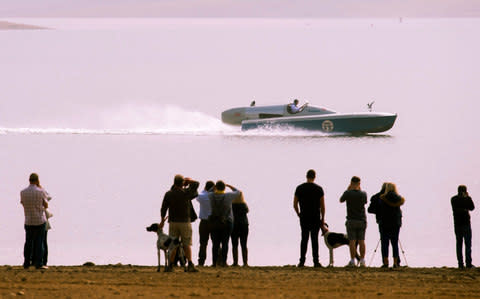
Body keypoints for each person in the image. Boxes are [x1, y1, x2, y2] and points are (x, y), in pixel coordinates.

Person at [161, 174, 200, 272]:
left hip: (173, 222)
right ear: (182, 183)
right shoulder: (186, 193)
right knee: (187, 244)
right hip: (185, 222)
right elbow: (196, 184)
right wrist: (189, 181)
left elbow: (163, 208)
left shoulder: (169, 194)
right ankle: (190, 264)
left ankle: (170, 265)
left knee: (173, 245)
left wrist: (162, 220)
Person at [293, 169, 325, 268]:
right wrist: (322, 219)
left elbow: (294, 204)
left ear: (306, 176)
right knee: (314, 239)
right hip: (315, 216)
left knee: (304, 238)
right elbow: (323, 206)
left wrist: (299, 214)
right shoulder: (319, 189)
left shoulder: (299, 188)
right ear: (314, 177)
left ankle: (302, 261)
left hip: (304, 216)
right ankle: (316, 261)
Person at [208, 181, 241, 267]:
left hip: (215, 221)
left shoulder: (211, 196)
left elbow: (208, 192)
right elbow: (238, 192)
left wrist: (213, 187)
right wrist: (230, 186)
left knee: (215, 244)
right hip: (227, 222)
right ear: (224, 188)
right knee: (225, 242)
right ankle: (223, 262)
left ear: (216, 187)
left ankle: (214, 262)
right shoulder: (228, 196)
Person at [20, 173, 49, 270]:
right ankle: (39, 263)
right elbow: (46, 205)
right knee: (39, 242)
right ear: (37, 180)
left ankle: (26, 262)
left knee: (28, 242)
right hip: (39, 219)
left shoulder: (23, 192)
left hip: (28, 219)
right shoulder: (40, 191)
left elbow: (23, 203)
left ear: (29, 180)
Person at [340, 176, 367, 267]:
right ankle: (362, 260)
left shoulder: (348, 193)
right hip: (361, 219)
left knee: (352, 241)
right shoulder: (363, 194)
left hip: (351, 219)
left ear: (351, 183)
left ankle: (352, 261)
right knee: (361, 241)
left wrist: (348, 189)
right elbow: (365, 202)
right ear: (359, 184)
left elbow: (341, 200)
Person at [377, 182, 405, 268]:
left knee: (385, 243)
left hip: (384, 223)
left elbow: (379, 209)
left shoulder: (382, 198)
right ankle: (395, 263)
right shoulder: (399, 198)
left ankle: (386, 262)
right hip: (395, 223)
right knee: (394, 243)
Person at [451, 185, 475, 269]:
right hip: (465, 224)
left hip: (457, 224)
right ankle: (468, 263)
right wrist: (468, 198)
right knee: (467, 244)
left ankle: (460, 264)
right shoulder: (466, 199)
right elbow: (472, 207)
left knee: (459, 244)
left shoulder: (453, 199)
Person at [195, 180, 215, 266]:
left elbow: (197, 196)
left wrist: (204, 190)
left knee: (203, 243)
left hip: (204, 222)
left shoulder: (202, 196)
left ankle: (201, 261)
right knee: (216, 242)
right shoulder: (215, 196)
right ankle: (217, 261)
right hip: (214, 221)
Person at [231, 192, 249, 267]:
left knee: (234, 244)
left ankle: (235, 262)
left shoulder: (231, 205)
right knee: (244, 244)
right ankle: (245, 263)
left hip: (234, 225)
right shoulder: (244, 205)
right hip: (244, 225)